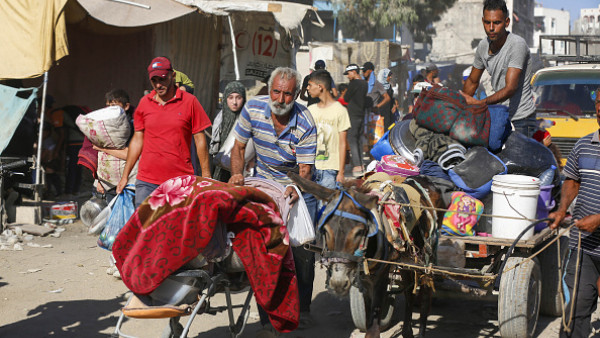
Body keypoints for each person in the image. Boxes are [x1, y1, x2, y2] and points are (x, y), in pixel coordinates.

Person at [228, 67, 317, 336]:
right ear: (269, 89)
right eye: (275, 91)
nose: (280, 99)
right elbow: (239, 147)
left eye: (287, 94)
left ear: (296, 94)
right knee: (260, 244)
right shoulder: (253, 108)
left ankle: (302, 307)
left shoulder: (305, 122)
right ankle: (268, 314)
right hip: (263, 179)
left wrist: (293, 187)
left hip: (297, 182)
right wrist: (236, 174)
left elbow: (304, 170)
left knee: (302, 249)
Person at [116, 56, 211, 207]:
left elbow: (200, 140)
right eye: (154, 81)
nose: (158, 84)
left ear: (172, 76)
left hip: (180, 181)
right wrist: (125, 176)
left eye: (162, 79)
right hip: (146, 181)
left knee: (177, 228)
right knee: (145, 227)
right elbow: (137, 140)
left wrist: (206, 175)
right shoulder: (144, 103)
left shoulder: (190, 101)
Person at [549, 88, 600, 338]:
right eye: (599, 103)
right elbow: (572, 180)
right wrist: (561, 210)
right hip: (584, 246)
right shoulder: (584, 145)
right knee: (576, 310)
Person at [461, 0, 536, 137]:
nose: (491, 28)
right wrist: (460, 103)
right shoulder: (483, 46)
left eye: (496, 23)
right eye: (487, 22)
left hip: (521, 119)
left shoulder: (516, 45)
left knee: (515, 158)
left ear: (506, 22)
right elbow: (472, 81)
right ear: (482, 21)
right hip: (499, 116)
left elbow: (510, 88)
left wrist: (479, 103)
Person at [91, 89, 138, 203]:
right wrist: (99, 181)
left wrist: (102, 148)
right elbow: (99, 156)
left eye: (115, 106)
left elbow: (129, 155)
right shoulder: (104, 126)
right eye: (108, 106)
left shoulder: (132, 127)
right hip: (107, 184)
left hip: (127, 185)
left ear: (126, 106)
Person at [306, 70, 351, 188]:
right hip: (311, 169)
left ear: (320, 87)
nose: (307, 88)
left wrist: (341, 172)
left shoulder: (340, 111)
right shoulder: (310, 110)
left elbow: (343, 144)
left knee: (327, 205)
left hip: (330, 171)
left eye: (310, 85)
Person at [49, 104, 91, 197]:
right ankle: (75, 190)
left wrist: (57, 150)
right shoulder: (66, 112)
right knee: (78, 166)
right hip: (82, 141)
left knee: (71, 167)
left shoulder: (57, 114)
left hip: (73, 143)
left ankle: (68, 191)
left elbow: (62, 134)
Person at [209, 81, 246, 182]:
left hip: (242, 170)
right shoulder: (220, 119)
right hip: (221, 167)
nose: (234, 102)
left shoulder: (248, 120)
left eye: (238, 98)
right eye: (230, 98)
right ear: (225, 99)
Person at [339, 64, 368, 176]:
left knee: (352, 139)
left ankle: (356, 165)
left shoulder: (353, 84)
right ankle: (361, 164)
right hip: (361, 114)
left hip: (353, 114)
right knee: (359, 139)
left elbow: (346, 98)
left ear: (354, 72)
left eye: (348, 73)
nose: (347, 76)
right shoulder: (364, 83)